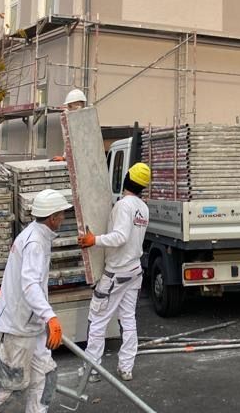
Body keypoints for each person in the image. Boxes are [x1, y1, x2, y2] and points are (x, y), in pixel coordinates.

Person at [0, 189, 72, 413]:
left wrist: (43, 318)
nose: (64, 218)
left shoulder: (35, 235)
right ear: (53, 217)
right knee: (12, 387)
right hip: (19, 327)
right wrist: (50, 316)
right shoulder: (35, 243)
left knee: (46, 376)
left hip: (31, 325)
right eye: (62, 214)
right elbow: (30, 284)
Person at [77, 162, 151, 382]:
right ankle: (126, 367)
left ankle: (92, 370)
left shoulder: (123, 206)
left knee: (97, 319)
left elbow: (120, 237)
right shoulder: (143, 208)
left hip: (117, 272)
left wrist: (94, 240)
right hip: (134, 271)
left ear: (127, 178)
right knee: (128, 319)